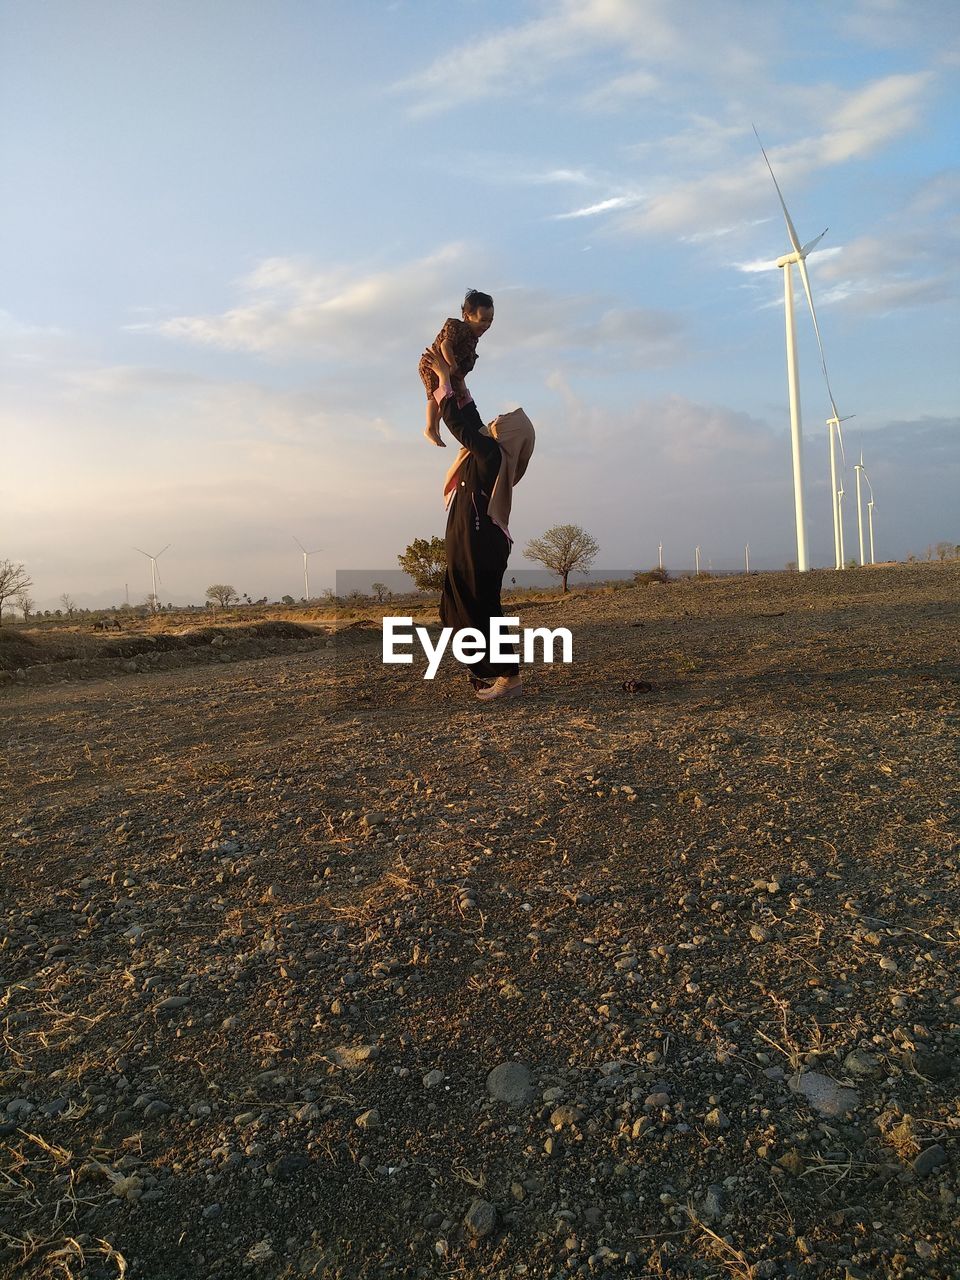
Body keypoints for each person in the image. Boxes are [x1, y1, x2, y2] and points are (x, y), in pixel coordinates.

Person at [422, 346, 534, 701]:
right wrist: (457, 381)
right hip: (473, 539)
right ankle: (487, 671)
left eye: (504, 419)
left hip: (479, 541)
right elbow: (472, 420)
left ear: (508, 437)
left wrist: (443, 379)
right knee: (456, 606)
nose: (496, 418)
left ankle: (508, 677)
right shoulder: (490, 450)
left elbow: (460, 425)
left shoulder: (490, 455)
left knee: (481, 609)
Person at [419, 289, 494, 447]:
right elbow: (446, 345)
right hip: (432, 364)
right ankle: (430, 427)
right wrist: (452, 365)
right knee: (435, 396)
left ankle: (436, 423)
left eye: (490, 321)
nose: (486, 325)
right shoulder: (458, 327)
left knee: (448, 400)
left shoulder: (472, 339)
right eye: (482, 320)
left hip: (449, 372)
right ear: (467, 316)